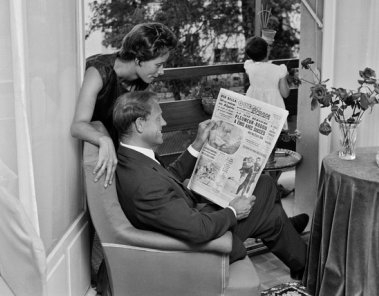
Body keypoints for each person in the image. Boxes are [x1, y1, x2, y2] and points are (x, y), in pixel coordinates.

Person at [113, 90, 309, 279]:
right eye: (158, 118)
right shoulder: (146, 185)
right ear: (140, 124)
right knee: (266, 185)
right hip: (199, 246)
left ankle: (300, 257)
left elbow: (168, 177)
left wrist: (198, 144)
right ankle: (293, 239)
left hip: (188, 218)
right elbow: (198, 229)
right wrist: (233, 211)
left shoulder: (131, 158)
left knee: (271, 211)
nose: (164, 122)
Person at [70, 22, 177, 187]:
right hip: (86, 148)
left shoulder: (142, 79)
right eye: (158, 65)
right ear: (138, 59)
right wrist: (104, 139)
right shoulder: (98, 72)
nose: (162, 71)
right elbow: (77, 126)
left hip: (115, 146)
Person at [244, 36, 290, 131]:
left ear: (249, 55)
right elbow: (285, 94)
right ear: (268, 50)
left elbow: (254, 62)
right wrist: (284, 77)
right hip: (273, 106)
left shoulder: (249, 67)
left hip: (253, 106)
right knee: (272, 133)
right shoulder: (279, 70)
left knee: (254, 131)